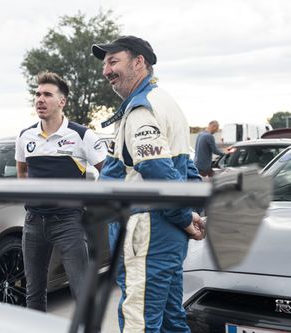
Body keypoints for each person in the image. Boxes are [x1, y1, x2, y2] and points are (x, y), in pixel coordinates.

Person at [92, 36, 204, 332]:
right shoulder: (164, 101)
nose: (106, 71)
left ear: (139, 62)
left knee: (139, 321)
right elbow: (187, 168)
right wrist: (190, 213)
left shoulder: (142, 109)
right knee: (169, 318)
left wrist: (184, 218)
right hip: (162, 232)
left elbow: (158, 172)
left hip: (146, 230)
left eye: (113, 61)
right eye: (105, 64)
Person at [15, 72, 107, 311]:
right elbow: (22, 172)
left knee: (81, 292)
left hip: (68, 223)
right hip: (33, 223)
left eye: (47, 94)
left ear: (62, 101)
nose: (40, 99)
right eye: (37, 94)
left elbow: (108, 173)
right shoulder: (25, 136)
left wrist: (91, 202)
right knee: (33, 294)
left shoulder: (81, 135)